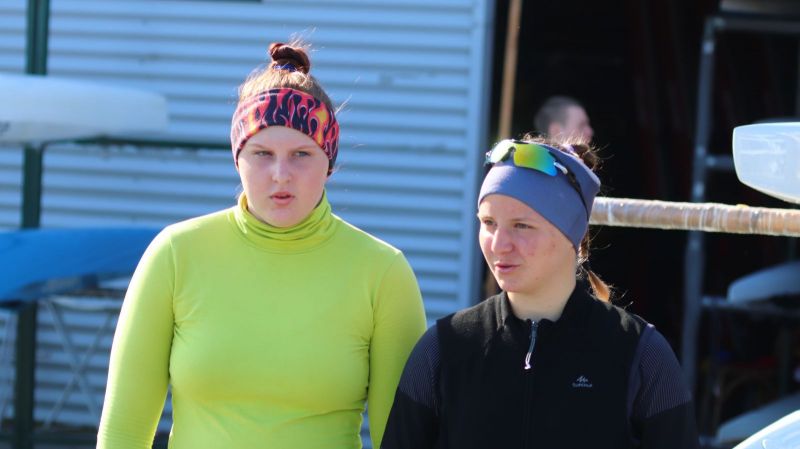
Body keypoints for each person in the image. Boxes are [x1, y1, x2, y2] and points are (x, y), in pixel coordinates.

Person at [97, 40, 427, 449]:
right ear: (237, 157)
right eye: (262, 153)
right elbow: (123, 434)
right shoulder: (175, 255)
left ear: (329, 161)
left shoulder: (383, 273)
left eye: (301, 154)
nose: (280, 174)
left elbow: (403, 442)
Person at [381, 136, 700, 449]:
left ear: (571, 233)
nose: (499, 244)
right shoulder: (442, 350)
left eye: (521, 226)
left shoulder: (641, 356)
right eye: (489, 222)